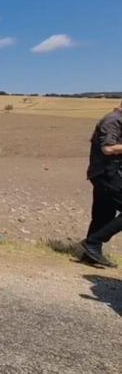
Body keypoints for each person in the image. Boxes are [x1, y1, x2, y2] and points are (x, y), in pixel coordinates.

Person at [81, 102, 122, 267]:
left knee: (103, 215)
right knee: (103, 214)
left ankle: (90, 254)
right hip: (107, 173)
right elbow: (108, 149)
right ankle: (92, 243)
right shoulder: (113, 120)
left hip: (105, 173)